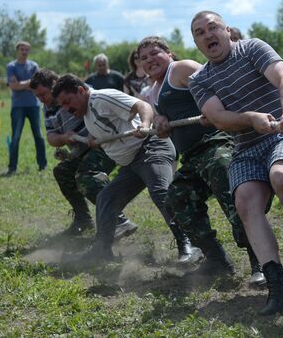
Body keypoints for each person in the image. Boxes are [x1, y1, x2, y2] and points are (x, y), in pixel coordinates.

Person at [189, 11, 283, 315]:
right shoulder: (199, 79)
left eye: (212, 27)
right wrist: (249, 119)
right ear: (196, 43)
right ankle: (278, 286)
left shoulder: (252, 48)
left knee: (282, 178)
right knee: (244, 202)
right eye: (200, 32)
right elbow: (218, 118)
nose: (208, 35)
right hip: (245, 145)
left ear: (227, 31)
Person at [137, 36, 265, 284]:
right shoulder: (153, 92)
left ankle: (259, 261)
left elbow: (217, 85)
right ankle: (217, 260)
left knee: (232, 195)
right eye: (143, 58)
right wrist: (161, 123)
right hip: (193, 157)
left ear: (169, 53)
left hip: (217, 144)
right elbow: (165, 124)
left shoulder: (181, 68)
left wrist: (212, 110)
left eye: (154, 53)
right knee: (176, 199)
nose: (149, 60)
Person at [52, 74, 200, 263]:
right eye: (62, 105)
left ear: (81, 91)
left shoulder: (101, 97)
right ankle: (101, 251)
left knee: (161, 193)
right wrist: (93, 140)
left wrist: (145, 125)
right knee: (106, 198)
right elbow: (110, 127)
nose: (66, 108)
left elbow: (142, 106)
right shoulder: (88, 112)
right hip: (132, 163)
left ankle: (190, 245)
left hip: (151, 149)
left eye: (67, 102)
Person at [29, 69, 138, 238]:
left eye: (42, 94)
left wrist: (92, 135)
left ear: (53, 85)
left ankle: (119, 220)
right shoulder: (48, 108)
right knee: (62, 171)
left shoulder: (78, 92)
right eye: (37, 96)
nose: (41, 99)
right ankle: (83, 219)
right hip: (81, 149)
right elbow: (51, 137)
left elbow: (97, 111)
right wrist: (64, 137)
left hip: (103, 144)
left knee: (86, 176)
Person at [5, 41, 47, 175]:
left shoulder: (34, 66)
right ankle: (12, 167)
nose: (24, 52)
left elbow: (36, 85)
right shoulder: (11, 66)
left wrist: (20, 84)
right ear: (17, 51)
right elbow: (13, 86)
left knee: (39, 136)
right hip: (18, 106)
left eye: (27, 50)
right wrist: (28, 83)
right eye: (22, 49)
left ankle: (42, 165)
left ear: (29, 51)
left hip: (34, 105)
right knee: (16, 137)